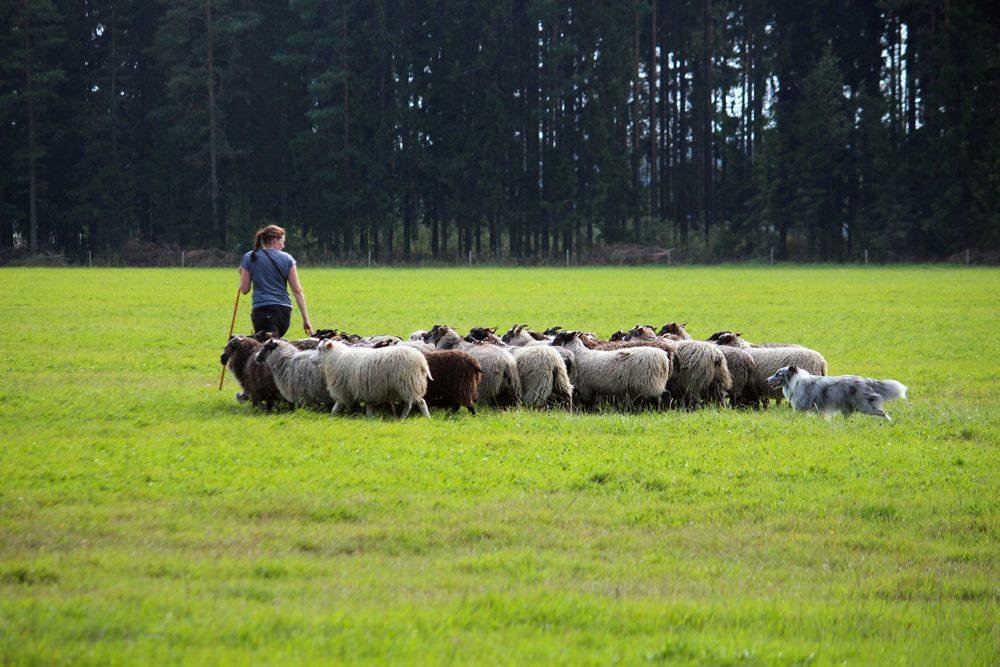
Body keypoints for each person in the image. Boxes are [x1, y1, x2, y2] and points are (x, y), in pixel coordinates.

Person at [239, 224, 313, 338]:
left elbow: (244, 289)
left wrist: (242, 274)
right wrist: (306, 320)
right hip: (283, 313)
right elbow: (297, 290)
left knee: (267, 350)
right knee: (272, 348)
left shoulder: (249, 257)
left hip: (262, 312)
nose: (283, 246)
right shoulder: (287, 258)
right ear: (274, 240)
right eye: (282, 242)